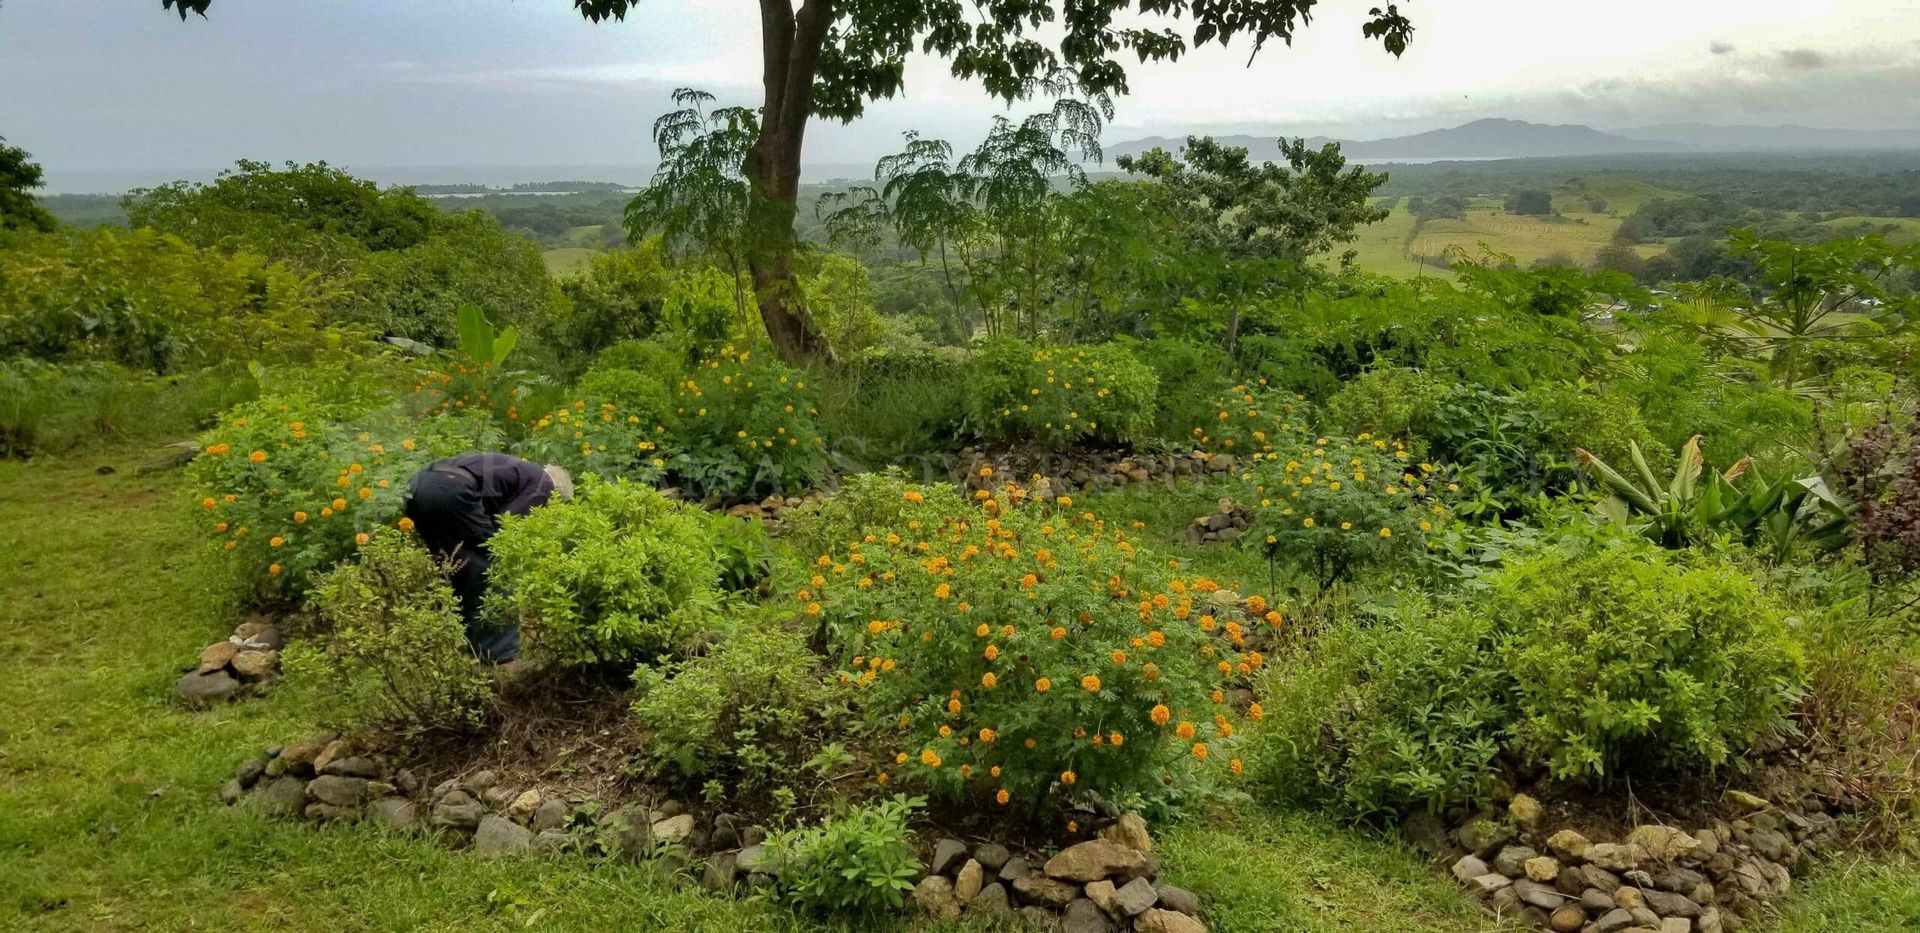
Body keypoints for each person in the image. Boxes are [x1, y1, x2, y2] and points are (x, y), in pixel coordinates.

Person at [404, 452, 572, 664]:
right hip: (451, 489)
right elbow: (505, 527)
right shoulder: (543, 484)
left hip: (419, 486)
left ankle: (454, 646)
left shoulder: (523, 474)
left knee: (456, 567)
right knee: (496, 568)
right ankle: (501, 659)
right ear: (557, 496)